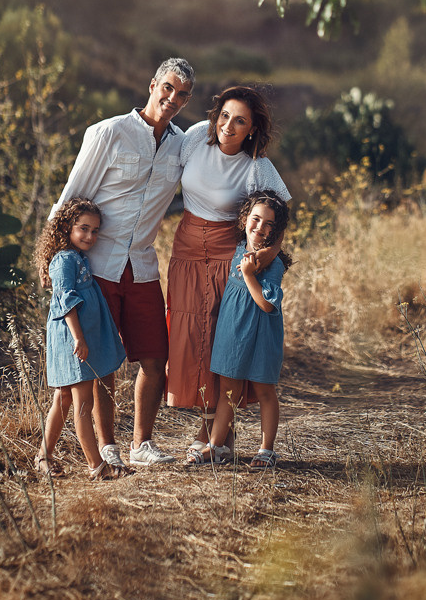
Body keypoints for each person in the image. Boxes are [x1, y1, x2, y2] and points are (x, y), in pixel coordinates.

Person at [49, 58, 195, 467]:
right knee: (102, 359)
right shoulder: (109, 133)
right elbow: (68, 201)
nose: (172, 98)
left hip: (143, 264)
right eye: (167, 87)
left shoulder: (181, 146)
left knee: (154, 356)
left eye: (182, 94)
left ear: (186, 101)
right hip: (96, 265)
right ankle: (108, 446)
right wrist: (51, 264)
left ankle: (141, 445)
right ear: (152, 85)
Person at [166, 86, 291, 459]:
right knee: (189, 333)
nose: (228, 126)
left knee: (221, 335)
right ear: (214, 116)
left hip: (227, 252)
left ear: (252, 129)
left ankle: (215, 433)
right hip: (187, 247)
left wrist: (263, 260)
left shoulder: (258, 167)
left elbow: (280, 217)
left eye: (240, 121)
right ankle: (213, 425)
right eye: (224, 116)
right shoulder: (192, 140)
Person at [187, 190, 292, 470]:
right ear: (244, 219)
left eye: (269, 223)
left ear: (276, 231)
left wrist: (248, 275)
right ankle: (216, 446)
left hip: (261, 334)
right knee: (227, 391)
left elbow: (267, 305)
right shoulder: (237, 251)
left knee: (265, 390)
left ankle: (267, 450)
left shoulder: (273, 264)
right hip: (233, 329)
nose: (260, 227)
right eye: (255, 219)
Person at [33, 197, 129, 480]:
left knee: (63, 399)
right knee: (82, 403)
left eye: (95, 230)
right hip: (71, 338)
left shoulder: (76, 257)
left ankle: (43, 457)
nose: (90, 236)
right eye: (83, 228)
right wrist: (79, 339)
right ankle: (97, 466)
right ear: (66, 227)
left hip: (76, 337)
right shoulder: (64, 260)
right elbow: (65, 302)